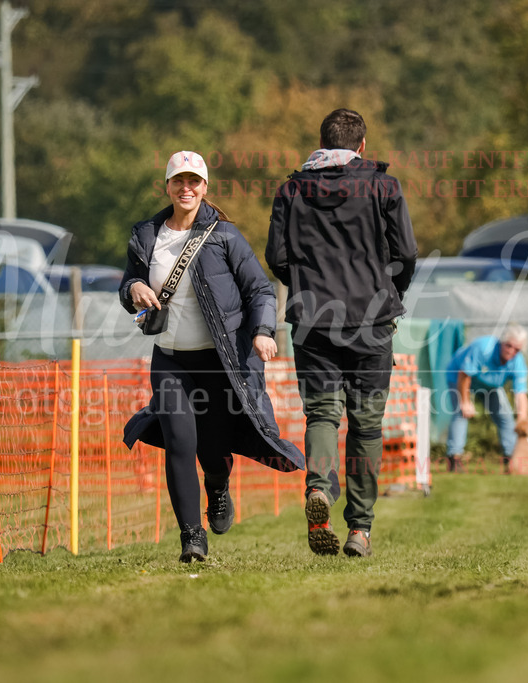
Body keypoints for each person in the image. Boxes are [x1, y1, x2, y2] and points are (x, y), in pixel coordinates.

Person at [121, 150, 304, 563]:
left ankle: (218, 487)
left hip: (221, 362)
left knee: (212, 445)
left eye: (194, 182)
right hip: (170, 359)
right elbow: (128, 280)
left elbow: (259, 289)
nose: (186, 188)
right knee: (179, 443)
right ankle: (191, 537)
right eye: (178, 181)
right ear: (167, 186)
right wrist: (133, 288)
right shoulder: (146, 234)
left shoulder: (224, 235)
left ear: (205, 187)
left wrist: (261, 331)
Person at [266, 109, 417, 558]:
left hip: (313, 323)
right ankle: (360, 530)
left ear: (321, 142)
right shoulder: (382, 186)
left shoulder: (292, 189)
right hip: (371, 323)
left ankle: (318, 489)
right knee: (367, 427)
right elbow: (405, 252)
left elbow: (277, 256)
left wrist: (310, 289)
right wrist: (389, 289)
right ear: (362, 145)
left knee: (323, 416)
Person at [444, 324, 528, 473]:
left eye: (516, 349)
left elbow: (521, 394)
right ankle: (454, 458)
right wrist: (465, 402)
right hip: (459, 377)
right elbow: (464, 375)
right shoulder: (484, 348)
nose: (511, 351)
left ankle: (511, 460)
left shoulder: (518, 362)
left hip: (490, 385)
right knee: (461, 412)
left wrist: (523, 420)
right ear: (501, 342)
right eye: (508, 345)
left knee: (506, 417)